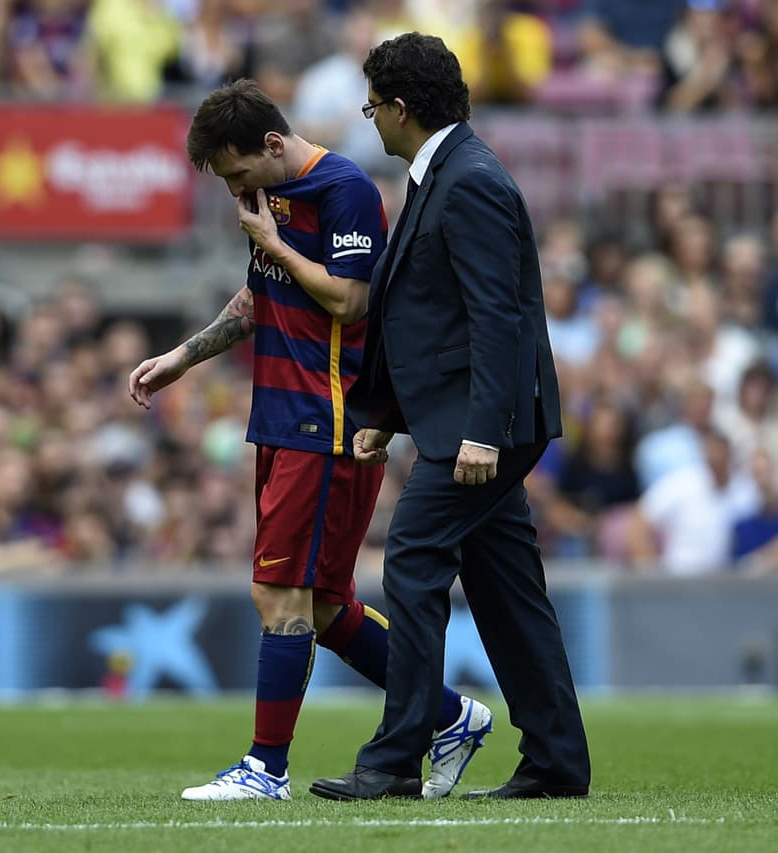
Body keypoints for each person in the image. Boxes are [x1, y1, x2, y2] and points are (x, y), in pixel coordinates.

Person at [127, 79, 491, 803]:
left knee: (279, 591)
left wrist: (271, 242)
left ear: (270, 144)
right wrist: (183, 357)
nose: (235, 189)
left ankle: (266, 768)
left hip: (326, 422)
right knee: (321, 605)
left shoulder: (345, 190)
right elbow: (262, 294)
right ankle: (451, 716)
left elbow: (352, 298)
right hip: (281, 417)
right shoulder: (272, 198)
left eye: (236, 173)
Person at [309, 33, 590, 801]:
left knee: (413, 554)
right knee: (506, 589)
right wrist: (388, 413)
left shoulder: (467, 181)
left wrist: (482, 431)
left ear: (401, 108)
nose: (367, 118)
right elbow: (431, 314)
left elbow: (497, 318)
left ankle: (397, 755)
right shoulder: (444, 175)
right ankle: (558, 760)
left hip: (483, 424)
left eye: (372, 105)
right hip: (465, 416)